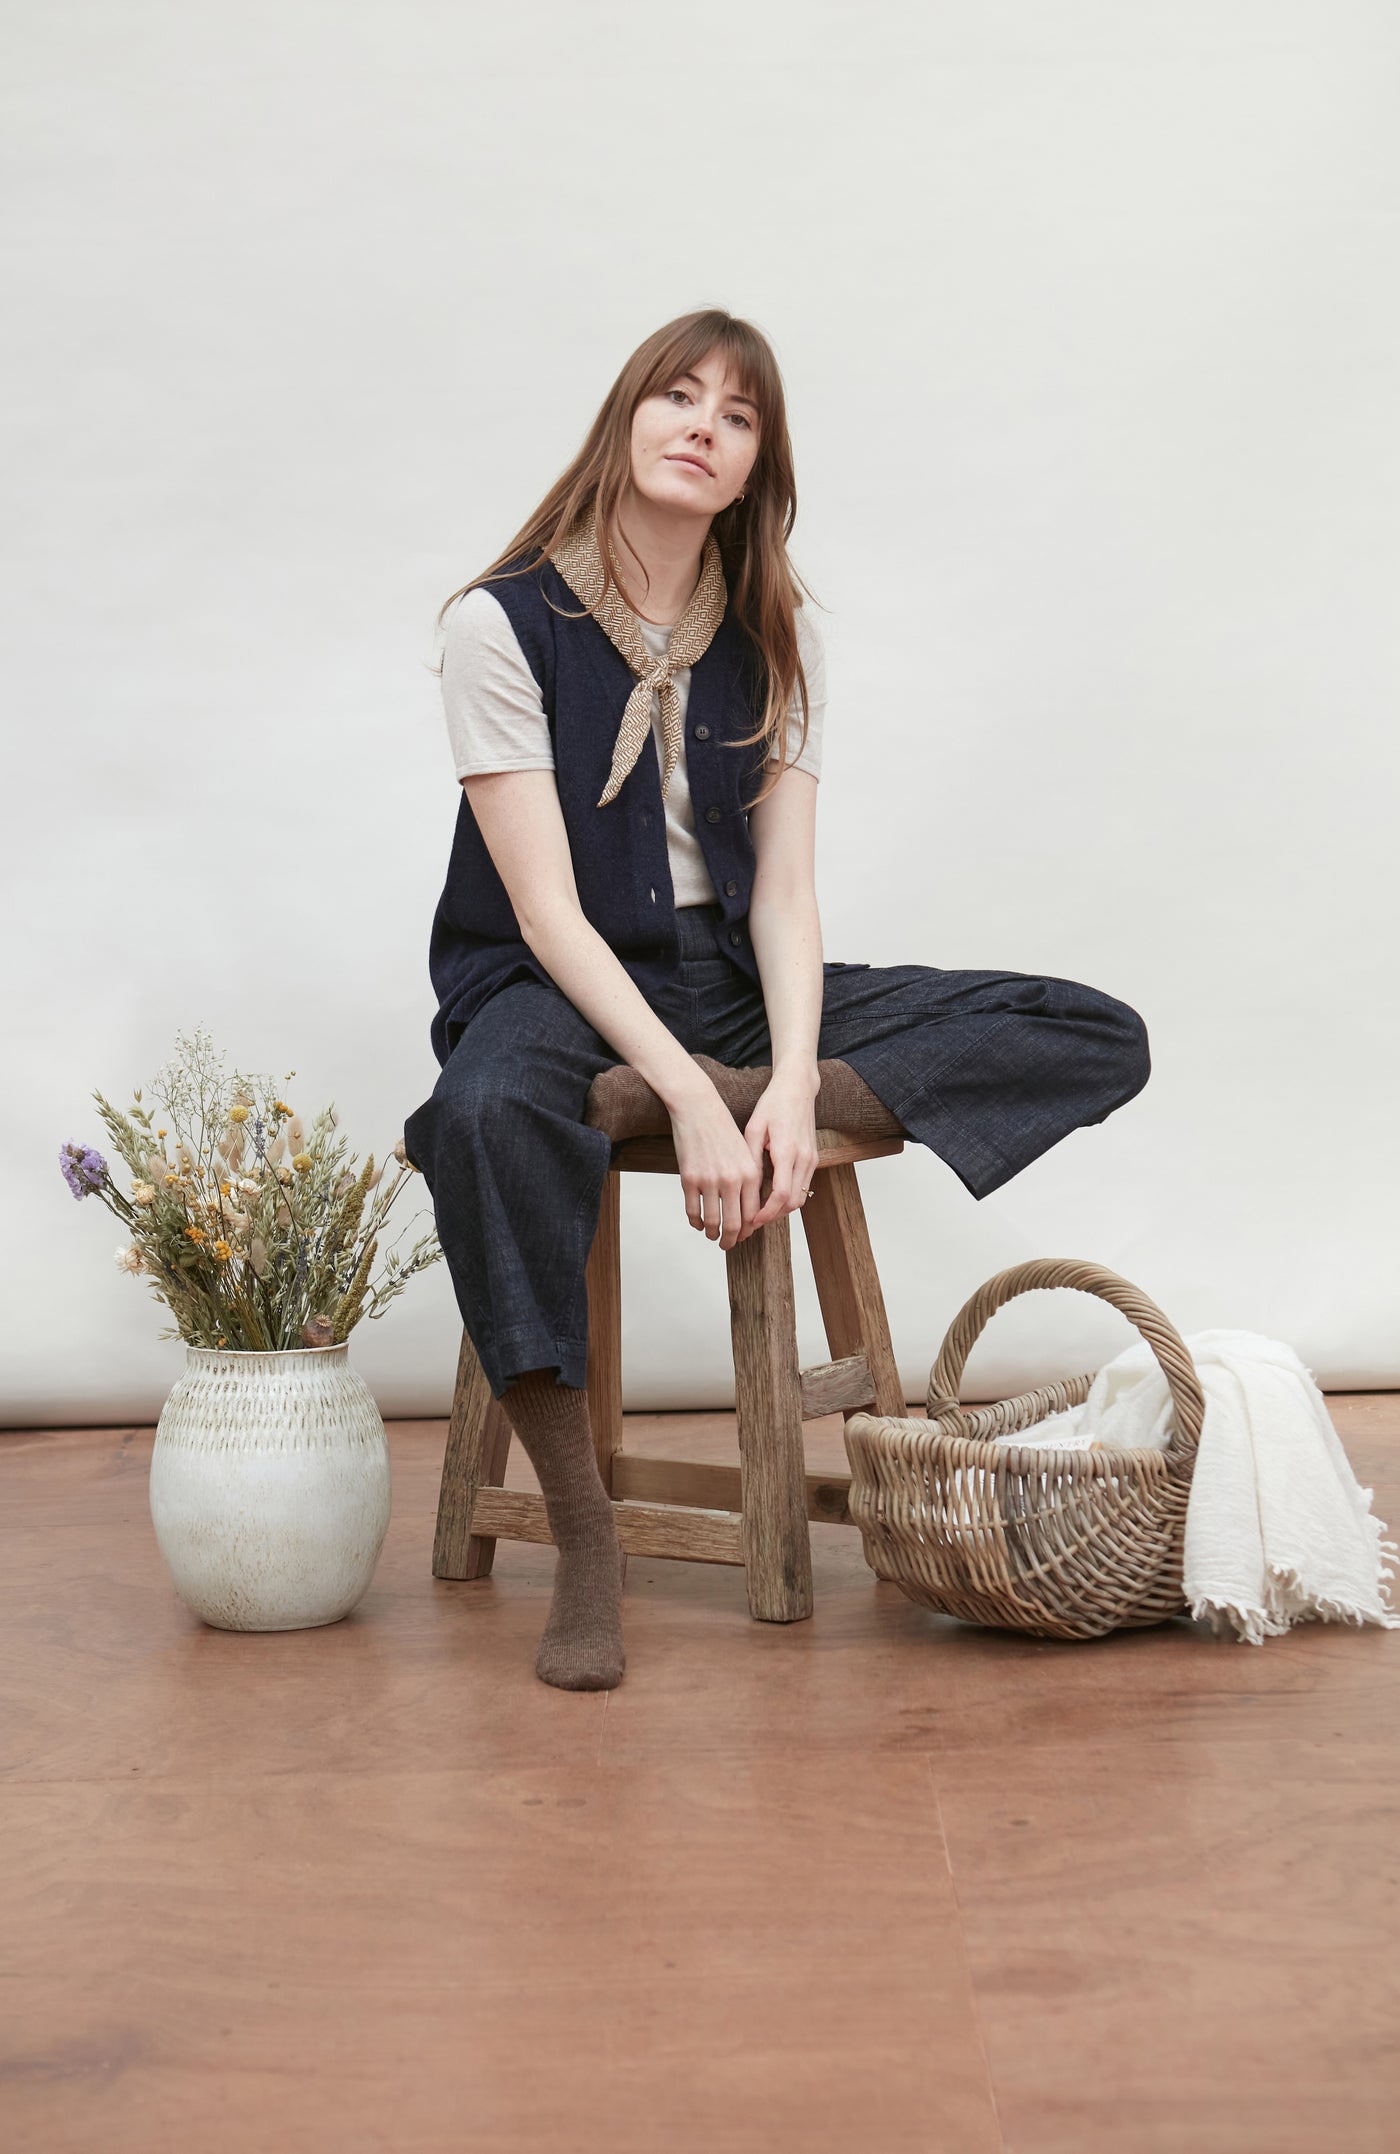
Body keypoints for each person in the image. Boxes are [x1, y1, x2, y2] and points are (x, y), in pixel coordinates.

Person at [404, 307, 1151, 1695]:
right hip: (558, 978)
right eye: (678, 397)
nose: (703, 424)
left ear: (755, 470)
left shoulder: (778, 634)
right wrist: (677, 1092)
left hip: (734, 987)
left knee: (1089, 1025)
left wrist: (788, 1078)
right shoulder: (497, 626)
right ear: (624, 424)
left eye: (736, 416)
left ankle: (737, 1087)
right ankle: (583, 1538)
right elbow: (547, 913)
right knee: (483, 1114)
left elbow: (785, 900)